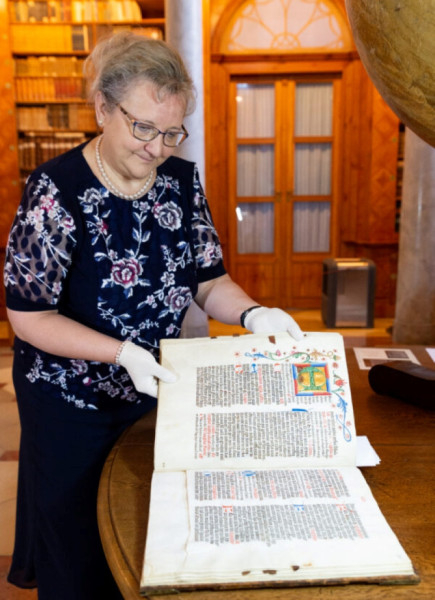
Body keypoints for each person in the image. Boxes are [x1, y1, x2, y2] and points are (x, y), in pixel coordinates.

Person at [4, 31, 303, 599]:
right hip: (70, 399)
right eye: (143, 128)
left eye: (171, 132)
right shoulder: (55, 190)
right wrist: (120, 353)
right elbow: (29, 316)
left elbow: (209, 280)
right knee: (77, 542)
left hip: (154, 391)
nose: (157, 148)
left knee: (141, 525)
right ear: (103, 109)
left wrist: (254, 314)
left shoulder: (181, 184)